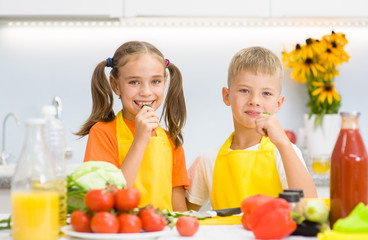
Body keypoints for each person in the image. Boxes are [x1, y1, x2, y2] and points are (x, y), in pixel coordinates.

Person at [186, 46, 317, 211]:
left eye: (266, 93)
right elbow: (184, 216)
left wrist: (284, 143)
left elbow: (310, 207)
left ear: (278, 103)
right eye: (244, 90)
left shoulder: (284, 152)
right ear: (227, 96)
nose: (254, 100)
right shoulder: (207, 159)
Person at [76, 41, 189, 212]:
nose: (146, 92)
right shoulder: (102, 133)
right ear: (115, 85)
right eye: (134, 82)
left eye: (156, 81)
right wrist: (140, 141)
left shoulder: (171, 140)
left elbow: (179, 212)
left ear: (165, 82)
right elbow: (106, 202)